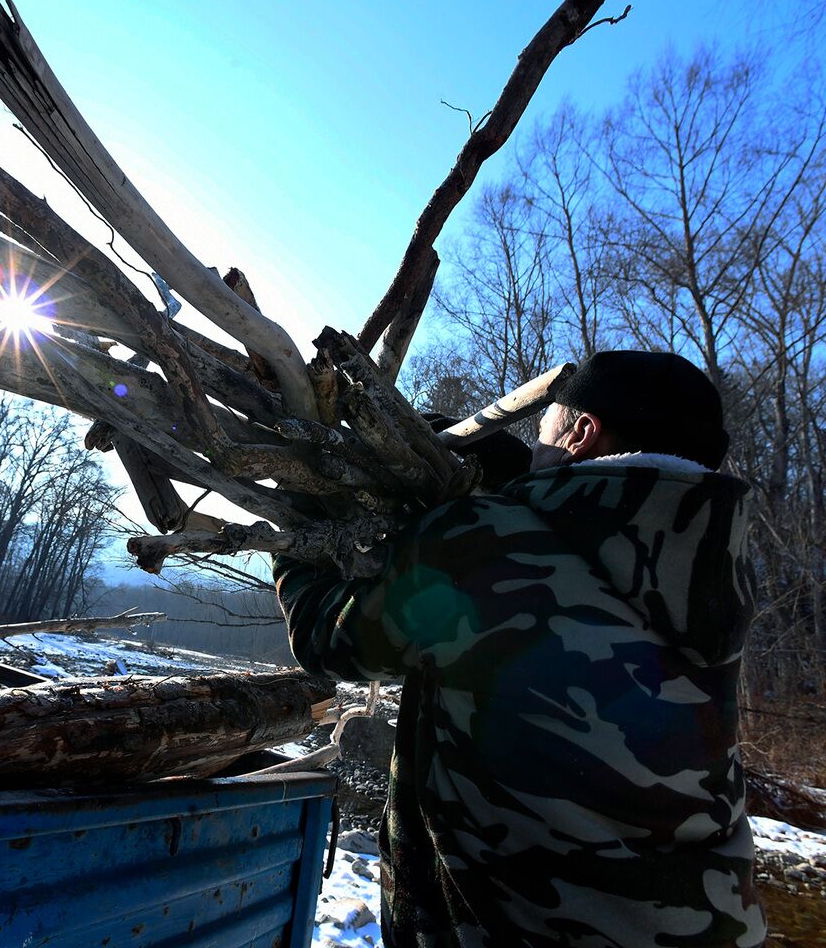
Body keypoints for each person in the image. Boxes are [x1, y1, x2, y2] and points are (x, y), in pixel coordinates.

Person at [275, 351, 766, 948]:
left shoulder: (482, 542)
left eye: (543, 432)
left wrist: (295, 522)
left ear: (582, 432)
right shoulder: (717, 572)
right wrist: (512, 466)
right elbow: (583, 547)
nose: (533, 448)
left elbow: (327, 635)